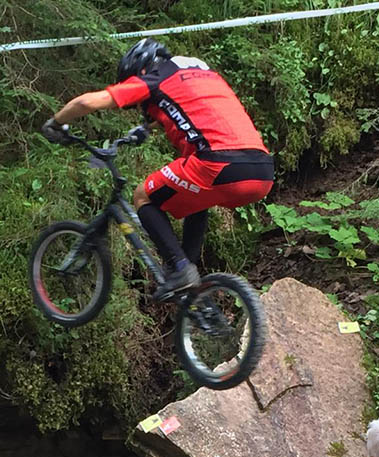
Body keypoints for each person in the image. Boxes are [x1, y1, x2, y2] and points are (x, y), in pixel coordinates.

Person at [41, 38, 274, 298]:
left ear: (141, 70)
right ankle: (188, 274)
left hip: (218, 162)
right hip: (261, 170)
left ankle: (181, 267)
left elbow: (87, 103)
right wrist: (144, 128)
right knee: (197, 200)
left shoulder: (154, 77)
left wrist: (56, 122)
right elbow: (189, 108)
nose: (143, 108)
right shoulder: (205, 77)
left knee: (142, 195)